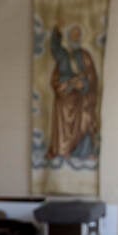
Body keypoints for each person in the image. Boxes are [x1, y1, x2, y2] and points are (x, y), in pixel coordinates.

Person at [48, 24, 99, 160]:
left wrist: (83, 85)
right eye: (73, 35)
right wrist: (66, 84)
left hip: (81, 98)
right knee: (62, 121)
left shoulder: (85, 56)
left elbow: (92, 78)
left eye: (78, 36)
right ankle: (62, 149)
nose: (75, 38)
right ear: (69, 38)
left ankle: (83, 151)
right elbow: (56, 77)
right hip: (64, 97)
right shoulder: (63, 56)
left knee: (85, 119)